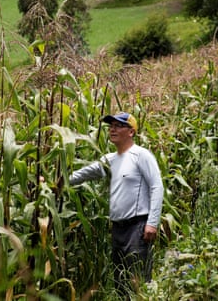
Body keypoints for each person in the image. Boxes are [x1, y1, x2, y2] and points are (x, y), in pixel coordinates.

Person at [69, 112, 164, 298]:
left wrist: (152, 222)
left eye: (119, 126)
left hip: (138, 227)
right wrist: (53, 182)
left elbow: (157, 186)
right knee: (120, 282)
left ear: (131, 132)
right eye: (111, 126)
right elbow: (81, 175)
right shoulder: (109, 160)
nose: (113, 129)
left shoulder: (141, 156)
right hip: (118, 229)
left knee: (138, 282)